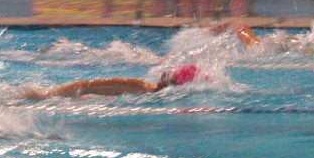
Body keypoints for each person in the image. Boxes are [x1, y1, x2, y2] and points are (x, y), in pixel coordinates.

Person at [20, 65, 199, 100]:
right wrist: (46, 95)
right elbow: (86, 85)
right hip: (62, 100)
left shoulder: (151, 95)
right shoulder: (138, 87)